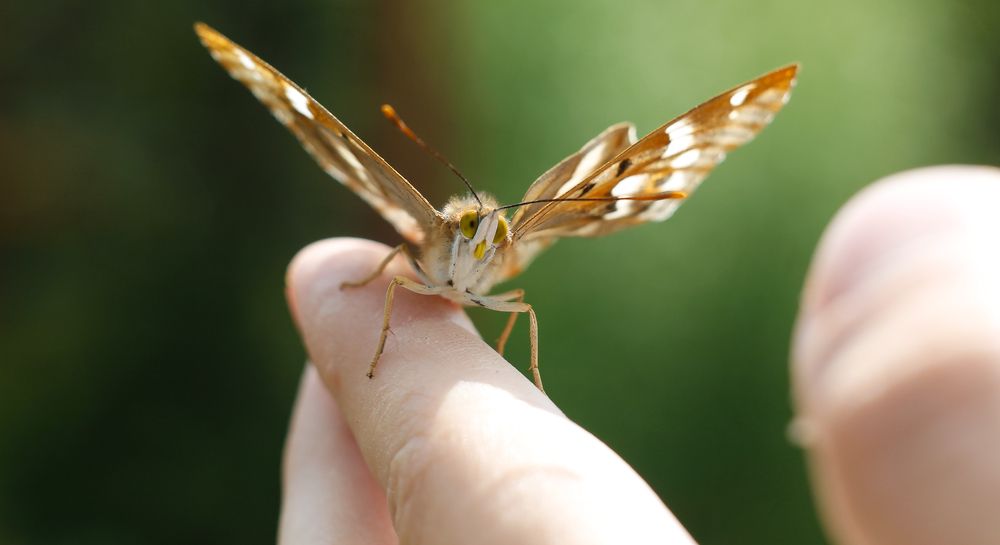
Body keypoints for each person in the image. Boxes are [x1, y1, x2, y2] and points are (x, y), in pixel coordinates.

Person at [280, 166, 1000, 545]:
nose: (483, 240)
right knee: (374, 277)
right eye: (473, 230)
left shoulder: (505, 249)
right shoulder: (431, 237)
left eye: (487, 234)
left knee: (518, 306)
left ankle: (520, 378)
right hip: (420, 282)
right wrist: (376, 298)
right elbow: (405, 253)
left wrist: (526, 382)